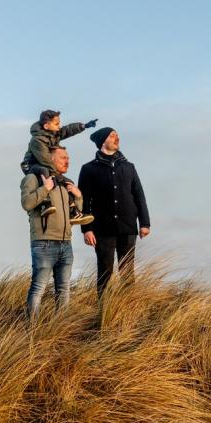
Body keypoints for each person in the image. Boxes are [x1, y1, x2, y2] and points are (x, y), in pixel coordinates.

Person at [77, 127, 151, 297]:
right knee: (105, 272)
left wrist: (144, 223)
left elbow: (139, 195)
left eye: (117, 135)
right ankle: (103, 308)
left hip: (128, 227)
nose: (117, 138)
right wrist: (86, 229)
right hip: (102, 229)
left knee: (127, 272)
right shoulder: (88, 169)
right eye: (112, 135)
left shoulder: (129, 167)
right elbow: (83, 202)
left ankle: (127, 309)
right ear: (103, 141)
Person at [21, 146, 84, 321]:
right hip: (44, 243)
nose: (67, 160)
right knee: (38, 288)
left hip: (66, 243)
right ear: (50, 159)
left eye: (68, 157)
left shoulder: (64, 182)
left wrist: (78, 196)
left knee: (64, 290)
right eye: (63, 157)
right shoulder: (33, 178)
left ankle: (60, 330)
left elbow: (78, 212)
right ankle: (31, 331)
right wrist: (45, 189)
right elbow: (26, 203)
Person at [20, 109, 96, 226]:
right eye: (56, 124)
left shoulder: (54, 134)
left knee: (67, 181)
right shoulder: (37, 140)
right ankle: (45, 203)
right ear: (46, 125)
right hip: (32, 165)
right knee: (46, 172)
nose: (59, 126)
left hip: (46, 164)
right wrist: (56, 174)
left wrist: (83, 126)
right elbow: (44, 159)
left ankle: (73, 211)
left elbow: (67, 130)